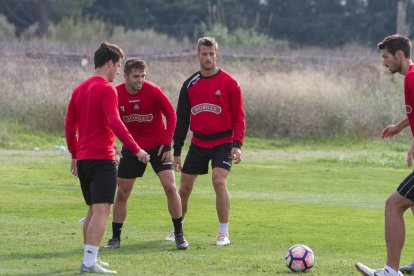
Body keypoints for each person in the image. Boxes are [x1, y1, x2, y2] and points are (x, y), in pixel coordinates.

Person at [65, 42, 150, 274]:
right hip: (101, 158)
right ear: (109, 64)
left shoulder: (79, 89)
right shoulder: (106, 89)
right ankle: (89, 262)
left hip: (83, 160)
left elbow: (69, 125)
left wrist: (74, 154)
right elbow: (115, 121)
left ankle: (89, 257)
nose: (117, 71)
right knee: (103, 210)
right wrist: (136, 148)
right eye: (118, 65)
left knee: (93, 210)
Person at [167, 36, 246, 246]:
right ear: (198, 56)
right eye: (204, 54)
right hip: (199, 143)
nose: (208, 57)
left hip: (223, 142)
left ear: (217, 55)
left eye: (212, 54)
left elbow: (239, 117)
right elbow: (182, 120)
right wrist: (176, 151)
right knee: (183, 189)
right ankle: (178, 229)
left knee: (219, 181)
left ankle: (223, 233)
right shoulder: (189, 85)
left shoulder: (230, 83)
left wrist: (237, 145)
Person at [104, 58, 188, 250]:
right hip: (132, 148)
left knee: (170, 187)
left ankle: (179, 234)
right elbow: (108, 121)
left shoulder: (153, 90)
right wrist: (114, 146)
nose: (140, 80)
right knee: (123, 192)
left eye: (143, 76)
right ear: (124, 76)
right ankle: (115, 238)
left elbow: (172, 115)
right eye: (135, 76)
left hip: (158, 147)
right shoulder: (115, 94)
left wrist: (167, 144)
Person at [355, 34, 414, 276]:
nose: (383, 62)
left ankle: (391, 271)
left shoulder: (411, 78)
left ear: (399, 55)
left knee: (394, 205)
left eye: (386, 57)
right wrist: (400, 128)